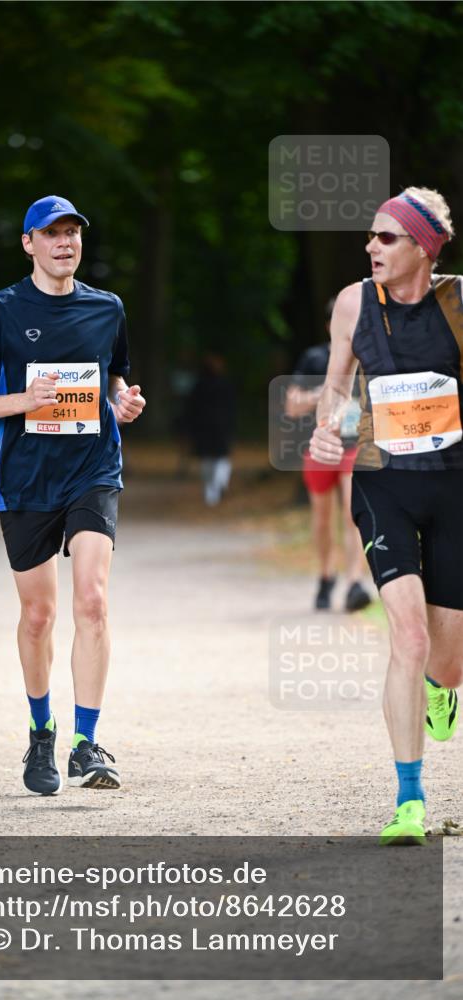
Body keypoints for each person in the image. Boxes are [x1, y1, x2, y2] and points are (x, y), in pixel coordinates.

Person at [0, 195, 146, 795]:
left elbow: (114, 376)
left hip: (93, 469)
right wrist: (22, 401)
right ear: (28, 243)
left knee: (93, 601)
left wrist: (122, 400)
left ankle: (88, 743)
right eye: (52, 233)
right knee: (38, 617)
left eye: (72, 233)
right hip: (27, 479)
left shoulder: (107, 308)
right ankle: (42, 732)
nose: (65, 242)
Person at [310, 187, 462, 845]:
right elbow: (336, 387)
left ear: (423, 247)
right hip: (383, 484)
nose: (371, 246)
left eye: (386, 237)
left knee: (446, 660)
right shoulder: (353, 303)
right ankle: (409, 799)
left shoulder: (458, 302)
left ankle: (441, 686)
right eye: (370, 236)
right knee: (408, 634)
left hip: (454, 487)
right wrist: (326, 428)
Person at [286, 302, 371, 611]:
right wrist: (324, 392)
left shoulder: (370, 357)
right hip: (320, 447)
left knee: (352, 514)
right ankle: (326, 576)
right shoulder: (314, 358)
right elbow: (292, 406)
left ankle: (354, 582)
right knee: (322, 520)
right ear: (329, 326)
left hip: (355, 446)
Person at [185, 353, 235, 505]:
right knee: (215, 459)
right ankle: (215, 488)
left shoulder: (201, 385)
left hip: (210, 428)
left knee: (213, 459)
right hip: (214, 428)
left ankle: (214, 489)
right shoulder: (220, 385)